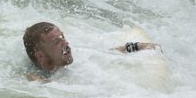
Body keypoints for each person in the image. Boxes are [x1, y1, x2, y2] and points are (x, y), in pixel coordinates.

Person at [22, 22, 158, 81]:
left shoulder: (77, 54)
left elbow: (109, 52)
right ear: (41, 56)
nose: (66, 43)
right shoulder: (36, 76)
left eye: (63, 37)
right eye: (57, 42)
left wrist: (138, 46)